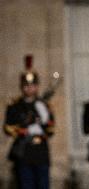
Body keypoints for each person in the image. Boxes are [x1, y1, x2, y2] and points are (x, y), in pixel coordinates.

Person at [3, 55, 55, 189]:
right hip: (24, 153)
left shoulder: (43, 105)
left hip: (41, 153)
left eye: (32, 85)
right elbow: (7, 128)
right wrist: (25, 130)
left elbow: (51, 130)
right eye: (26, 85)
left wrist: (43, 123)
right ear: (21, 87)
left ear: (37, 86)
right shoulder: (14, 106)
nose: (29, 89)